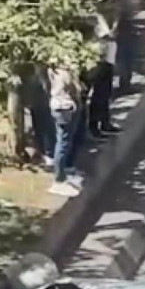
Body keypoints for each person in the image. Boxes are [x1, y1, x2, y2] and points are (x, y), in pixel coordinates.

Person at [48, 61, 83, 198]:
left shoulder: (57, 70)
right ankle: (59, 180)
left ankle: (64, 174)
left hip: (65, 106)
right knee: (62, 143)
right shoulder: (61, 73)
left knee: (65, 142)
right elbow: (71, 85)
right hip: (63, 108)